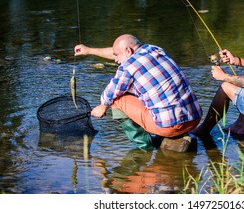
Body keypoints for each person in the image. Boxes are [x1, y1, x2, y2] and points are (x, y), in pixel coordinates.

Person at [74, 34, 202, 151]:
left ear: (128, 51)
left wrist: (102, 106)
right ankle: (178, 136)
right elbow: (119, 53)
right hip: (194, 118)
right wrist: (89, 50)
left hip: (169, 127)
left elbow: (111, 92)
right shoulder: (154, 49)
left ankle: (144, 146)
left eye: (117, 56)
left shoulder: (128, 67)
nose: (115, 60)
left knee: (116, 100)